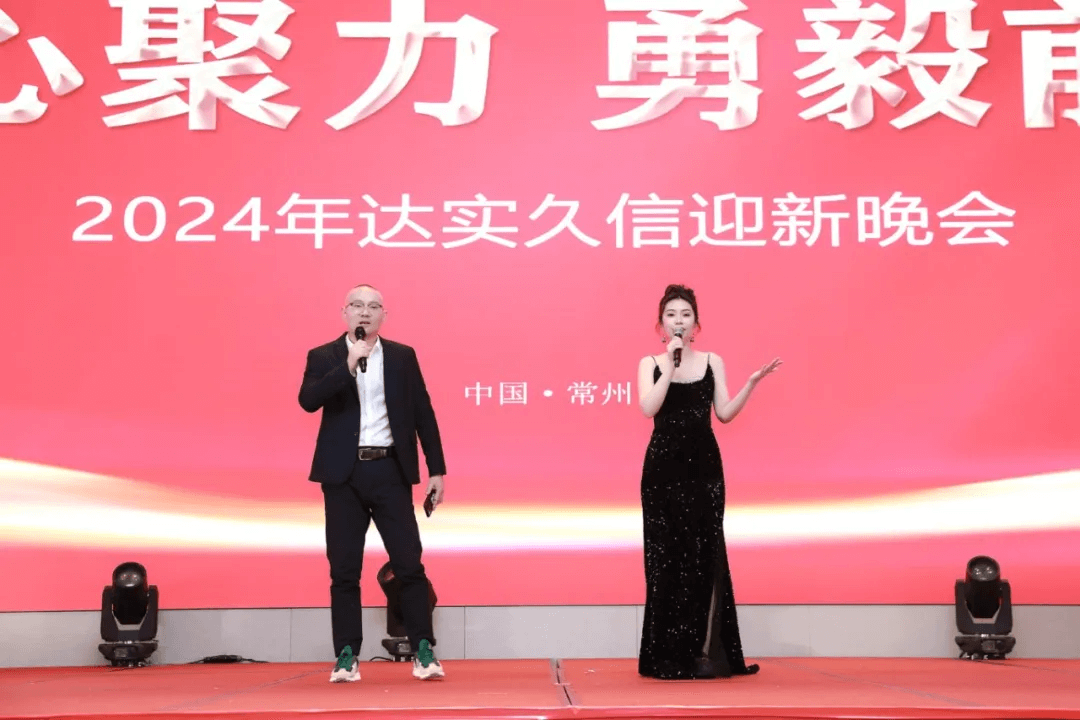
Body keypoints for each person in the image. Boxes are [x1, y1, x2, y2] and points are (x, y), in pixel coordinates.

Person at [298, 284, 447, 683]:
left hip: (389, 471)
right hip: (342, 476)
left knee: (408, 564)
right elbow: (308, 400)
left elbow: (423, 413)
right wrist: (348, 364)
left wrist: (436, 469)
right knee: (344, 569)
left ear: (384, 315)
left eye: (373, 306)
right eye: (357, 306)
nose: (365, 313)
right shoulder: (324, 356)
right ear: (344, 312)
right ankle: (346, 655)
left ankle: (423, 649)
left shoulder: (402, 357)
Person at [636, 284, 781, 680]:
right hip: (662, 471)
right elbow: (648, 407)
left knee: (704, 556)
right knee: (665, 559)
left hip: (704, 470)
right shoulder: (651, 362)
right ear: (661, 325)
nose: (679, 321)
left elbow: (724, 413)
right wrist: (670, 365)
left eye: (685, 315)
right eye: (671, 315)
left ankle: (703, 654)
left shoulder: (713, 361)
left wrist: (751, 384)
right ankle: (666, 657)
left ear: (696, 324)